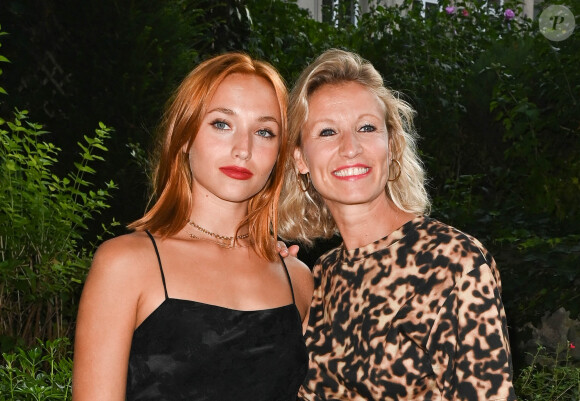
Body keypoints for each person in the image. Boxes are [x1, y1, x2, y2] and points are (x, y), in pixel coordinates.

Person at [72, 52, 313, 401]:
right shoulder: (125, 264)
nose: (242, 149)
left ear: (280, 154)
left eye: (264, 132)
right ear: (184, 135)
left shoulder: (298, 279)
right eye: (221, 123)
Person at [278, 49, 516, 401]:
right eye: (328, 131)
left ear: (392, 145)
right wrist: (272, 279)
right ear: (300, 159)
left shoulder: (453, 262)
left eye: (366, 127)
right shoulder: (325, 275)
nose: (351, 147)